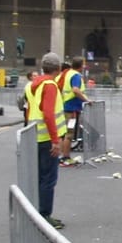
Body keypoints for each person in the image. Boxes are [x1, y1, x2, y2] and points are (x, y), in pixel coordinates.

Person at [22, 54, 68, 229]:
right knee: (48, 179)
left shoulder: (32, 85)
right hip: (47, 137)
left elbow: (28, 110)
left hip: (36, 135)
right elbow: (48, 113)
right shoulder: (50, 86)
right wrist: (56, 140)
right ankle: (44, 214)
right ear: (57, 69)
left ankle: (38, 212)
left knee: (39, 177)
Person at [61, 57, 87, 162]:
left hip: (67, 105)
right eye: (84, 64)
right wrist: (86, 100)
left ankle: (64, 156)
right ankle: (66, 157)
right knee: (69, 134)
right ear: (81, 65)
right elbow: (75, 90)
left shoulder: (69, 73)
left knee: (66, 133)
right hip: (72, 108)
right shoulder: (76, 76)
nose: (85, 66)